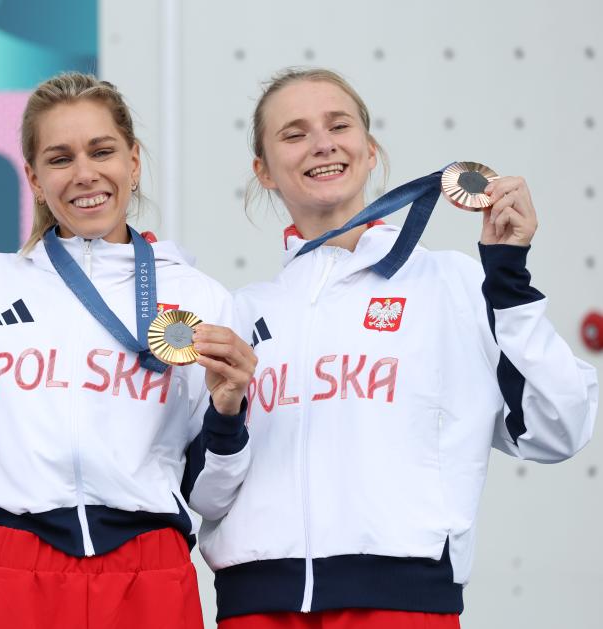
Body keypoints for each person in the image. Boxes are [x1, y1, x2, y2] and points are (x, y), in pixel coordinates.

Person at [197, 67, 600, 629]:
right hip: (257, 607)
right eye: (294, 133)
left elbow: (561, 426)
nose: (322, 143)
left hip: (401, 602)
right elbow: (208, 498)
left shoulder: (451, 284)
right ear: (263, 170)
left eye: (339, 125)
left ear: (370, 151)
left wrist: (508, 278)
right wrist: (225, 416)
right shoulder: (241, 313)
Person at [0, 72, 257, 629]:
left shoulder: (199, 298)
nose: (84, 173)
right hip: (16, 569)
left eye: (102, 151)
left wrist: (228, 413)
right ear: (34, 178)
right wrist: (4, 548)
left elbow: (213, 496)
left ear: (133, 161)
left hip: (151, 572)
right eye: (60, 158)